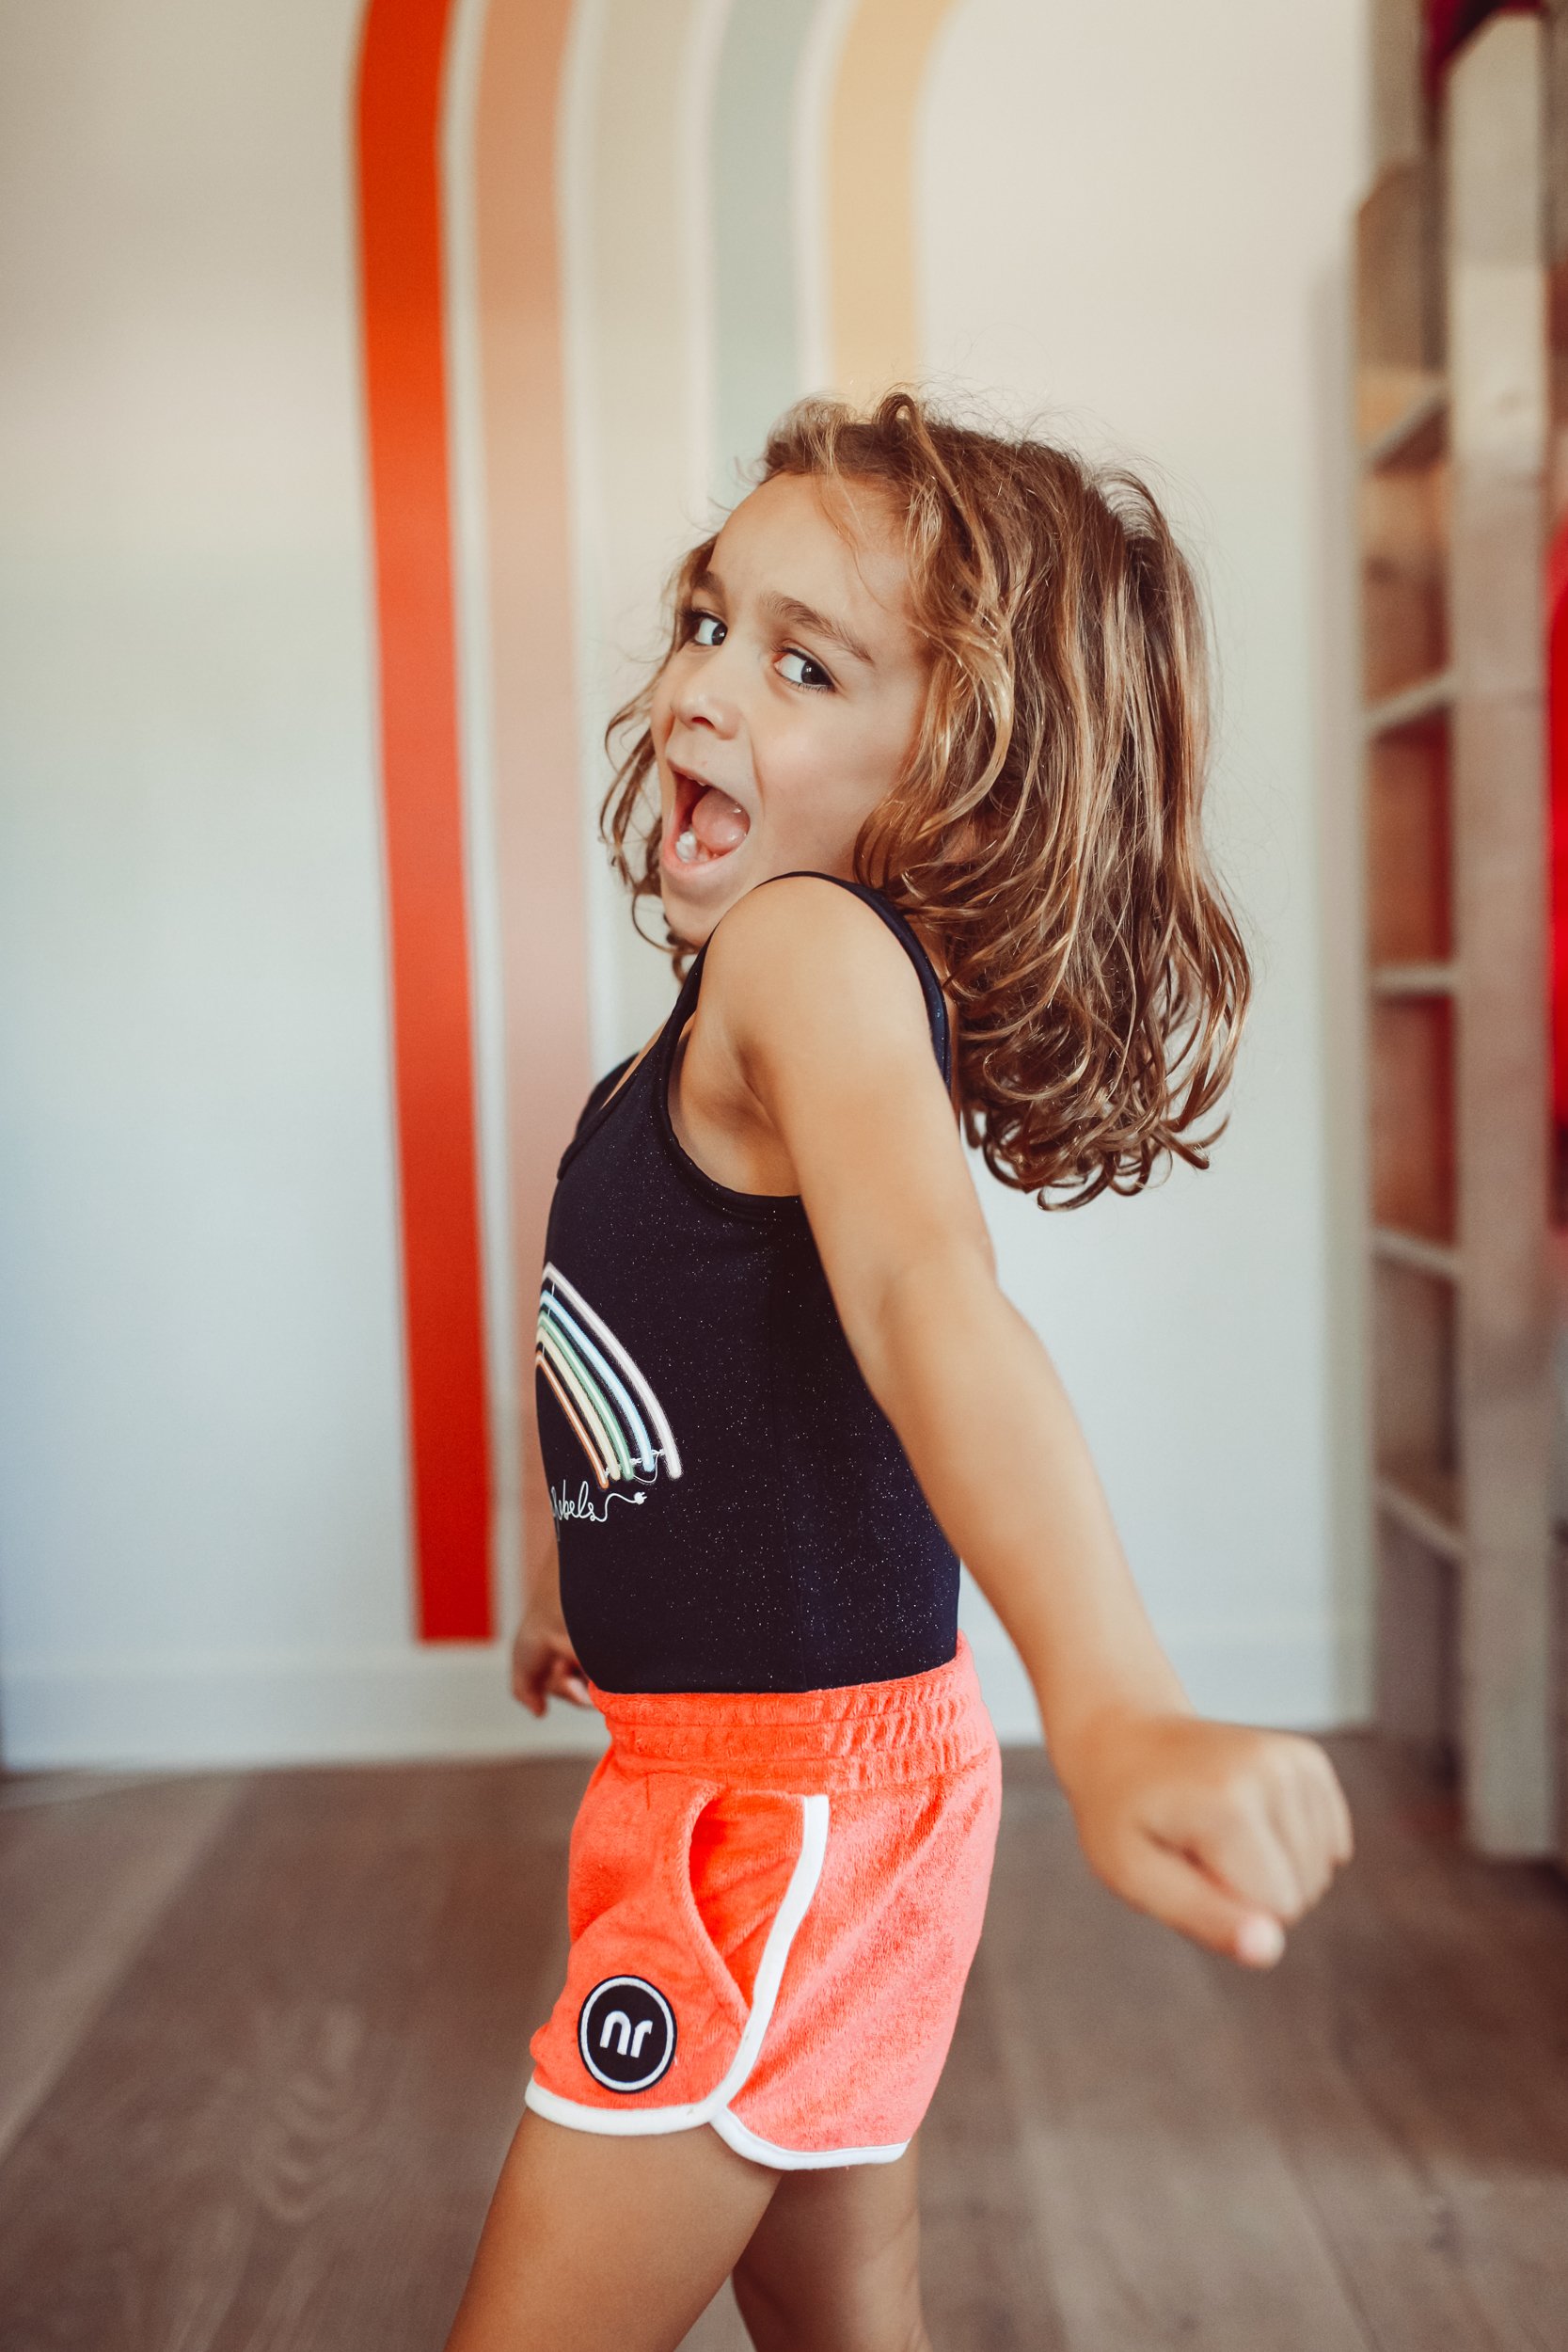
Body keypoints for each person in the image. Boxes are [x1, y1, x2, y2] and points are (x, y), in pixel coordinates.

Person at [443, 390, 1354, 2352]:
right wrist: (575, 1555)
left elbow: (933, 1307)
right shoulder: (718, 1010)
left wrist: (1111, 1708)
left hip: (775, 1815)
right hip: (776, 1774)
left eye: (801, 662)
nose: (700, 687)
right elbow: (667, 1356)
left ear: (954, 782)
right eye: (709, 617)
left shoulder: (802, 952)